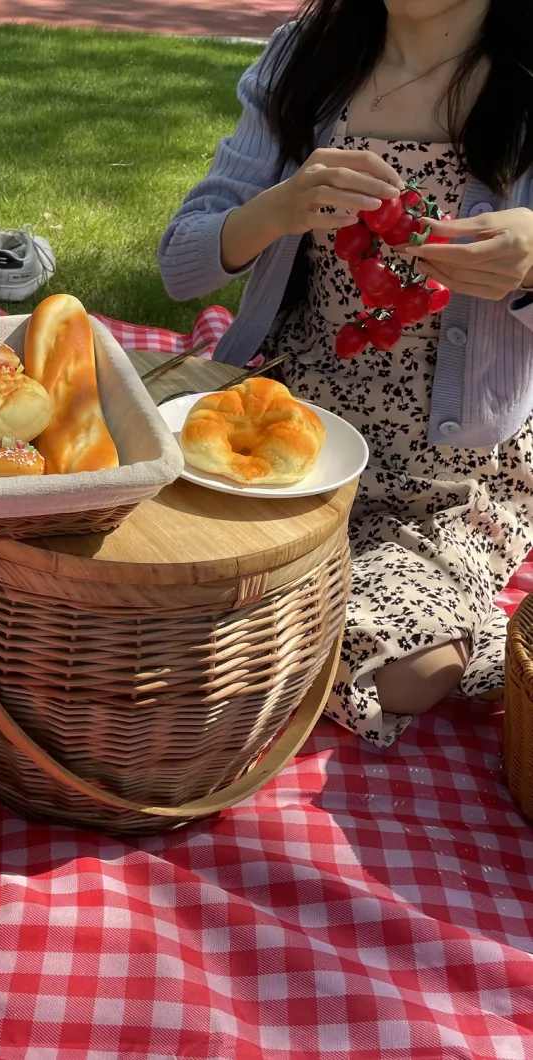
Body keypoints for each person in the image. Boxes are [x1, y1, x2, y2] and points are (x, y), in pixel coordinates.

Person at [159, 0, 533, 747]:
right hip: (286, 437)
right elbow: (181, 263)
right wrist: (275, 211)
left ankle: (235, 635)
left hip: (448, 481)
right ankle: (241, 626)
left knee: (407, 674)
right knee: (127, 561)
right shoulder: (304, 57)